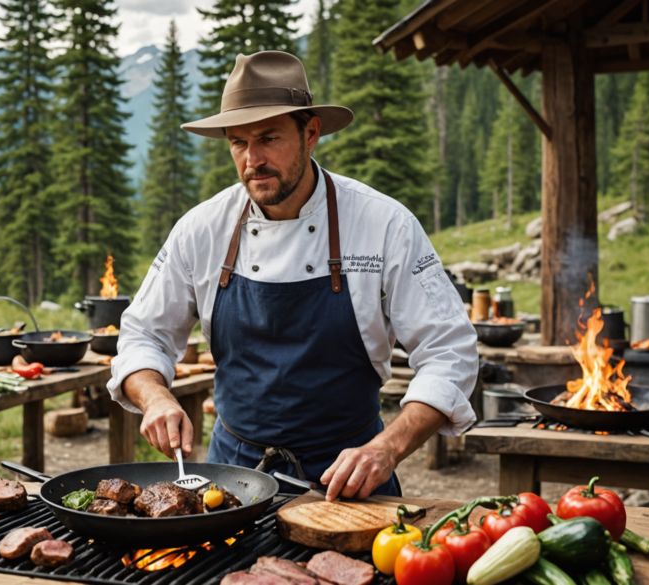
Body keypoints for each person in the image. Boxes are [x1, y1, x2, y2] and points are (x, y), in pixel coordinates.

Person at [107, 51, 478, 501]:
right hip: (231, 478)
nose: (253, 159)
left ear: (311, 133)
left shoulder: (385, 225)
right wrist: (156, 397)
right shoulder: (201, 229)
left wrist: (388, 447)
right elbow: (143, 335)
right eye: (238, 143)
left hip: (350, 479)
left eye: (269, 138)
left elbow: (449, 351)